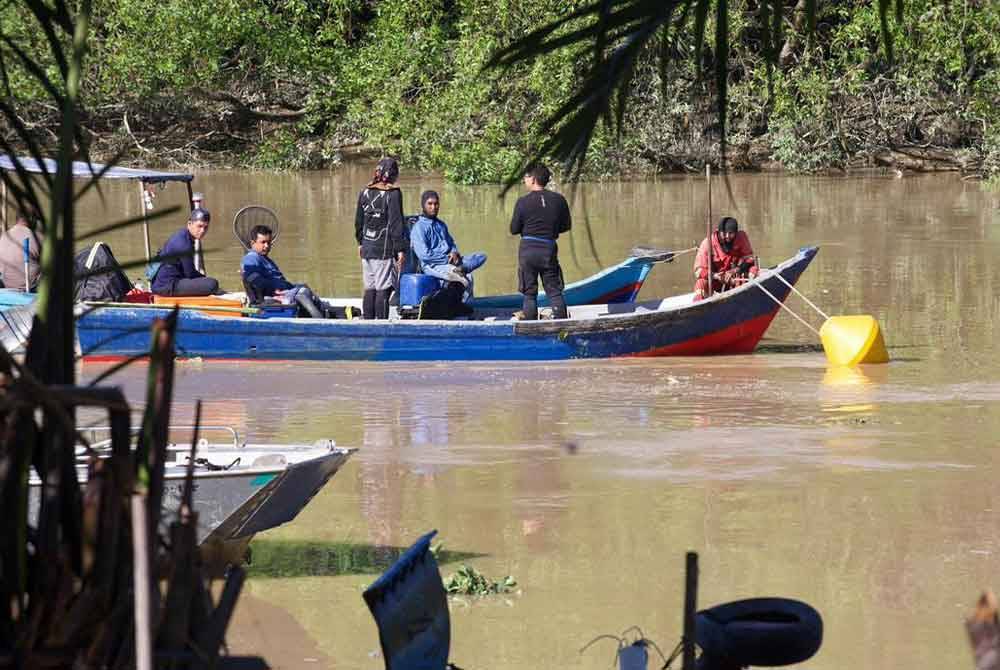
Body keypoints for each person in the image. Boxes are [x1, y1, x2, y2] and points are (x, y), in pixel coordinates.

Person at [509, 163, 571, 320]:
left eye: (526, 176)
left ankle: (530, 325)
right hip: (548, 249)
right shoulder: (559, 200)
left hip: (528, 250)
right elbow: (566, 226)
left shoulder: (522, 202)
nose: (524, 179)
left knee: (529, 293)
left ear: (533, 179)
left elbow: (514, 229)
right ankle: (561, 324)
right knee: (554, 290)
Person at [410, 190, 487, 301]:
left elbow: (451, 243)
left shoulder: (441, 224)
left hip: (451, 260)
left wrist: (454, 252)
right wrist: (447, 259)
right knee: (467, 279)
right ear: (423, 205)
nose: (433, 207)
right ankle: (462, 306)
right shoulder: (419, 228)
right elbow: (424, 255)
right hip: (433, 265)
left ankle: (462, 268)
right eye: (430, 204)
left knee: (481, 256)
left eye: (436, 204)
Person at [354, 157, 407, 319]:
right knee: (382, 290)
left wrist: (360, 243)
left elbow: (358, 222)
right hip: (383, 250)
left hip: (367, 248)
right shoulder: (393, 193)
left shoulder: (365, 191)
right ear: (393, 174)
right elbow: (396, 224)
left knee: (370, 288)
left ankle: (368, 324)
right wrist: (400, 249)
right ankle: (381, 327)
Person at [241, 224, 330, 318]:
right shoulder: (251, 258)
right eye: (263, 242)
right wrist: (274, 291)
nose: (266, 246)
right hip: (274, 296)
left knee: (303, 286)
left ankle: (323, 312)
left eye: (269, 242)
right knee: (302, 292)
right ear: (252, 243)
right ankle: (320, 321)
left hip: (286, 290)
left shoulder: (264, 258)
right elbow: (254, 280)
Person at [151, 207, 220, 296]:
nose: (202, 231)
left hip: (165, 282)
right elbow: (190, 274)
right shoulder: (184, 244)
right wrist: (204, 279)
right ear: (189, 224)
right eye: (199, 226)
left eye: (205, 227)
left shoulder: (183, 234)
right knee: (212, 284)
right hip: (167, 286)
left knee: (207, 282)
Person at [693, 216, 758, 300]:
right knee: (700, 283)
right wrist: (716, 276)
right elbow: (698, 271)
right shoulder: (707, 243)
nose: (727, 236)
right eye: (724, 233)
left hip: (736, 277)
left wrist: (735, 270)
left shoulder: (741, 237)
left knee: (754, 270)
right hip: (716, 280)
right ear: (719, 232)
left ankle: (747, 299)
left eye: (731, 233)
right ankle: (700, 308)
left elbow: (750, 259)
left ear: (736, 232)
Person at [0, 212, 44, 291]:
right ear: (32, 220)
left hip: (6, 285)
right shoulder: (38, 237)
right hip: (31, 287)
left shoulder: (4, 236)